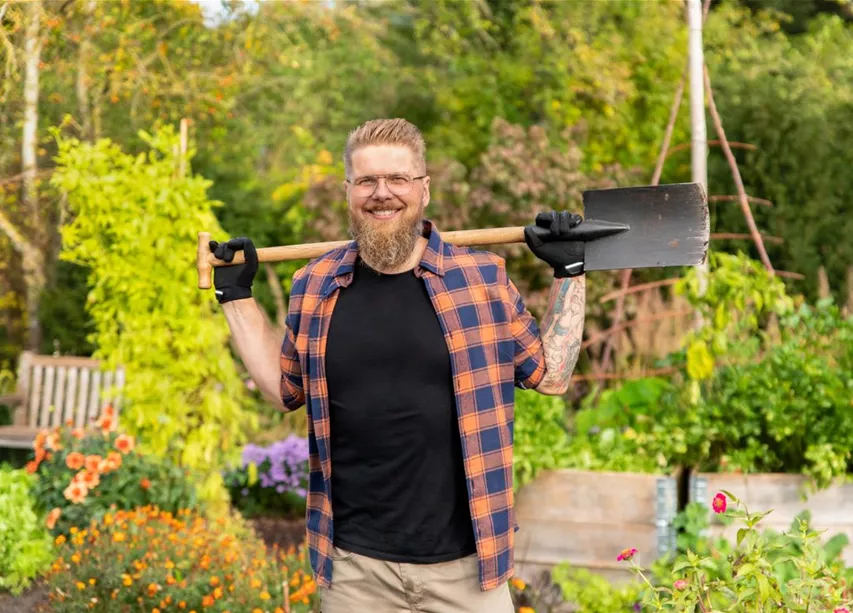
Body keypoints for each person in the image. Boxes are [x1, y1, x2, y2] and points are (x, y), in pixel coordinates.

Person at [210, 118, 586, 613]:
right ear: (348, 190)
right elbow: (284, 389)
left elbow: (551, 376)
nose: (381, 193)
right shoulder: (315, 285)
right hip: (355, 573)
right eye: (366, 180)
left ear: (424, 190)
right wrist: (235, 295)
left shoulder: (481, 280)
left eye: (398, 179)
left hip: (468, 572)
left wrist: (571, 272)